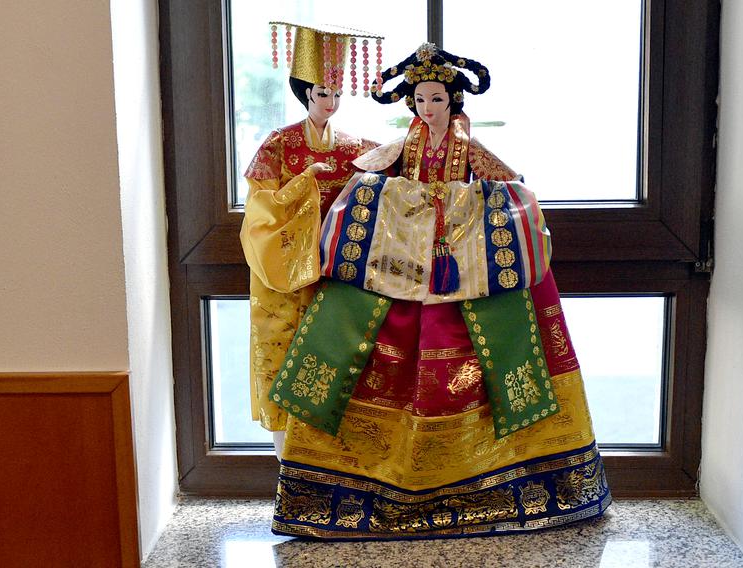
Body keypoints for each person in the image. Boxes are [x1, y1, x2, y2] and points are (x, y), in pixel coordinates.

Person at [268, 43, 611, 539]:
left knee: (496, 350)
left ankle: (502, 480)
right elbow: (369, 169)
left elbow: (510, 178)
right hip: (401, 264)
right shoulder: (403, 147)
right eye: (422, 100)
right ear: (411, 104)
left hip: (464, 265)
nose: (429, 108)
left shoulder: (467, 147)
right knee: (367, 346)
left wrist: (470, 199)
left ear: (453, 102)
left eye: (437, 100)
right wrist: (381, 191)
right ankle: (357, 483)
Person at [239, 23, 382, 457]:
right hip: (285, 270)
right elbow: (260, 211)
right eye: (323, 92)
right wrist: (304, 182)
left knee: (337, 359)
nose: (331, 101)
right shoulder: (278, 145)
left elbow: (389, 176)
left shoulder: (356, 146)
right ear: (305, 92)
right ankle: (288, 463)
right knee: (281, 356)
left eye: (337, 92)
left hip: (336, 268)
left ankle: (334, 460)